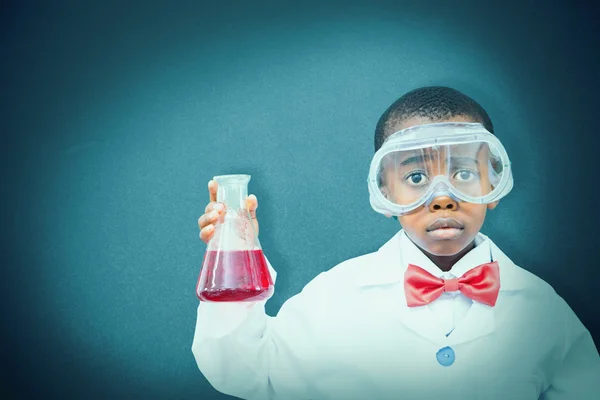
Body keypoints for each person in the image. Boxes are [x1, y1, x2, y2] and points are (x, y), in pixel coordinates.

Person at [192, 86, 600, 400]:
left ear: (493, 184)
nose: (442, 196)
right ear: (383, 195)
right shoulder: (331, 297)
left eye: (462, 173)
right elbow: (244, 371)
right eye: (417, 178)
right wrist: (234, 253)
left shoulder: (543, 310)